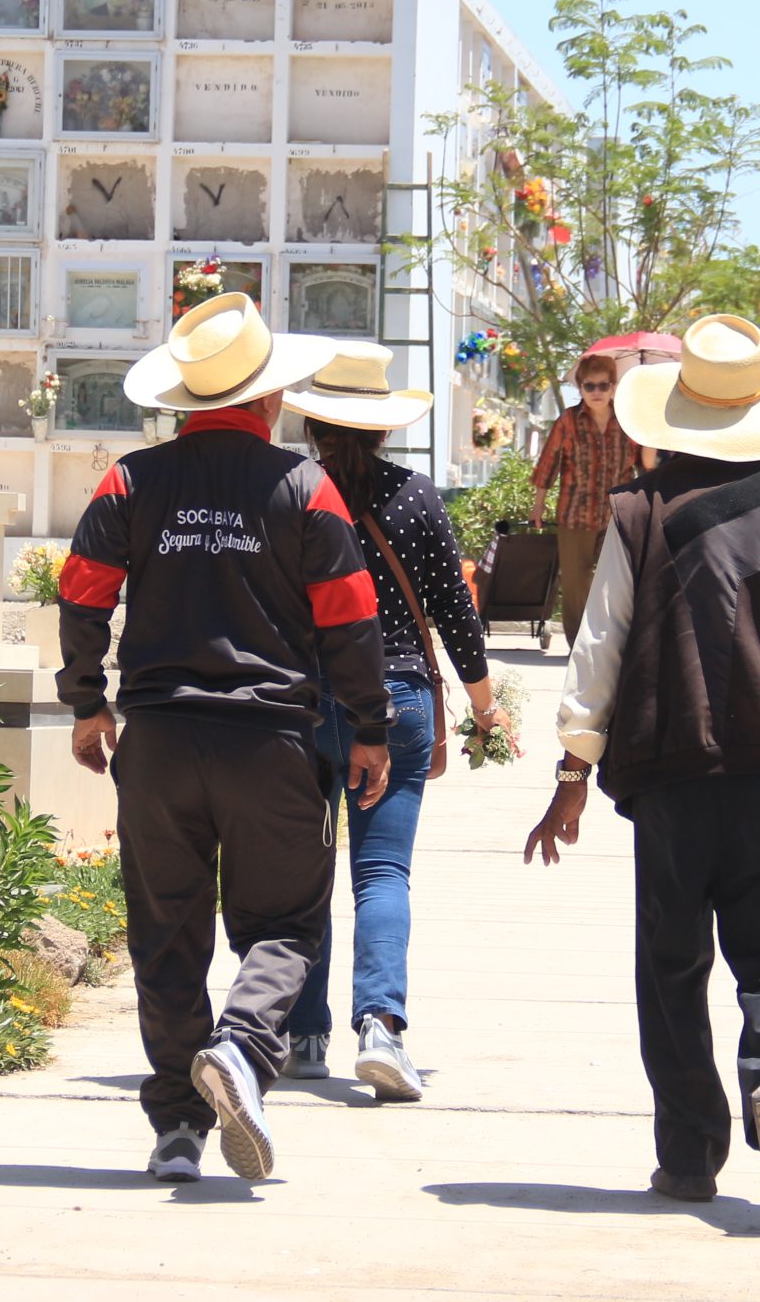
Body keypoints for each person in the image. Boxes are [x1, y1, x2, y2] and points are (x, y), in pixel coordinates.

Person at [521, 314, 760, 1229]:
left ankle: (690, 1155)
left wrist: (574, 771)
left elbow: (597, 648)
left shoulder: (641, 512)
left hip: (674, 779)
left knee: (672, 963)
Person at [60, 293, 395, 1183]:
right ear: (269, 399)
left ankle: (176, 1129)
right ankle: (242, 1050)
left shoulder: (130, 479)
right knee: (285, 922)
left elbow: (83, 587)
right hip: (271, 741)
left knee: (165, 934)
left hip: (160, 742)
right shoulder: (305, 486)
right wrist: (368, 727)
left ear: (185, 398)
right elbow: (351, 620)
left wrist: (88, 702)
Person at [277, 343, 511, 1100]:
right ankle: (380, 1027)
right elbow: (454, 613)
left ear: (315, 428)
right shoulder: (415, 497)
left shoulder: (288, 494)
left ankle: (302, 1034)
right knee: (381, 872)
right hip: (398, 696)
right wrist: (484, 704)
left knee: (302, 875)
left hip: (301, 700)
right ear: (383, 429)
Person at [529, 352, 643, 648]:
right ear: (579, 388)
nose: (596, 393)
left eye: (603, 386)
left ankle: (609, 645)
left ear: (613, 387)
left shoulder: (629, 420)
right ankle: (578, 646)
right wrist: (538, 505)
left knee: (614, 583)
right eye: (589, 386)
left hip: (617, 516)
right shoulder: (568, 421)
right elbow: (547, 464)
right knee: (576, 585)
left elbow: (643, 465)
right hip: (575, 514)